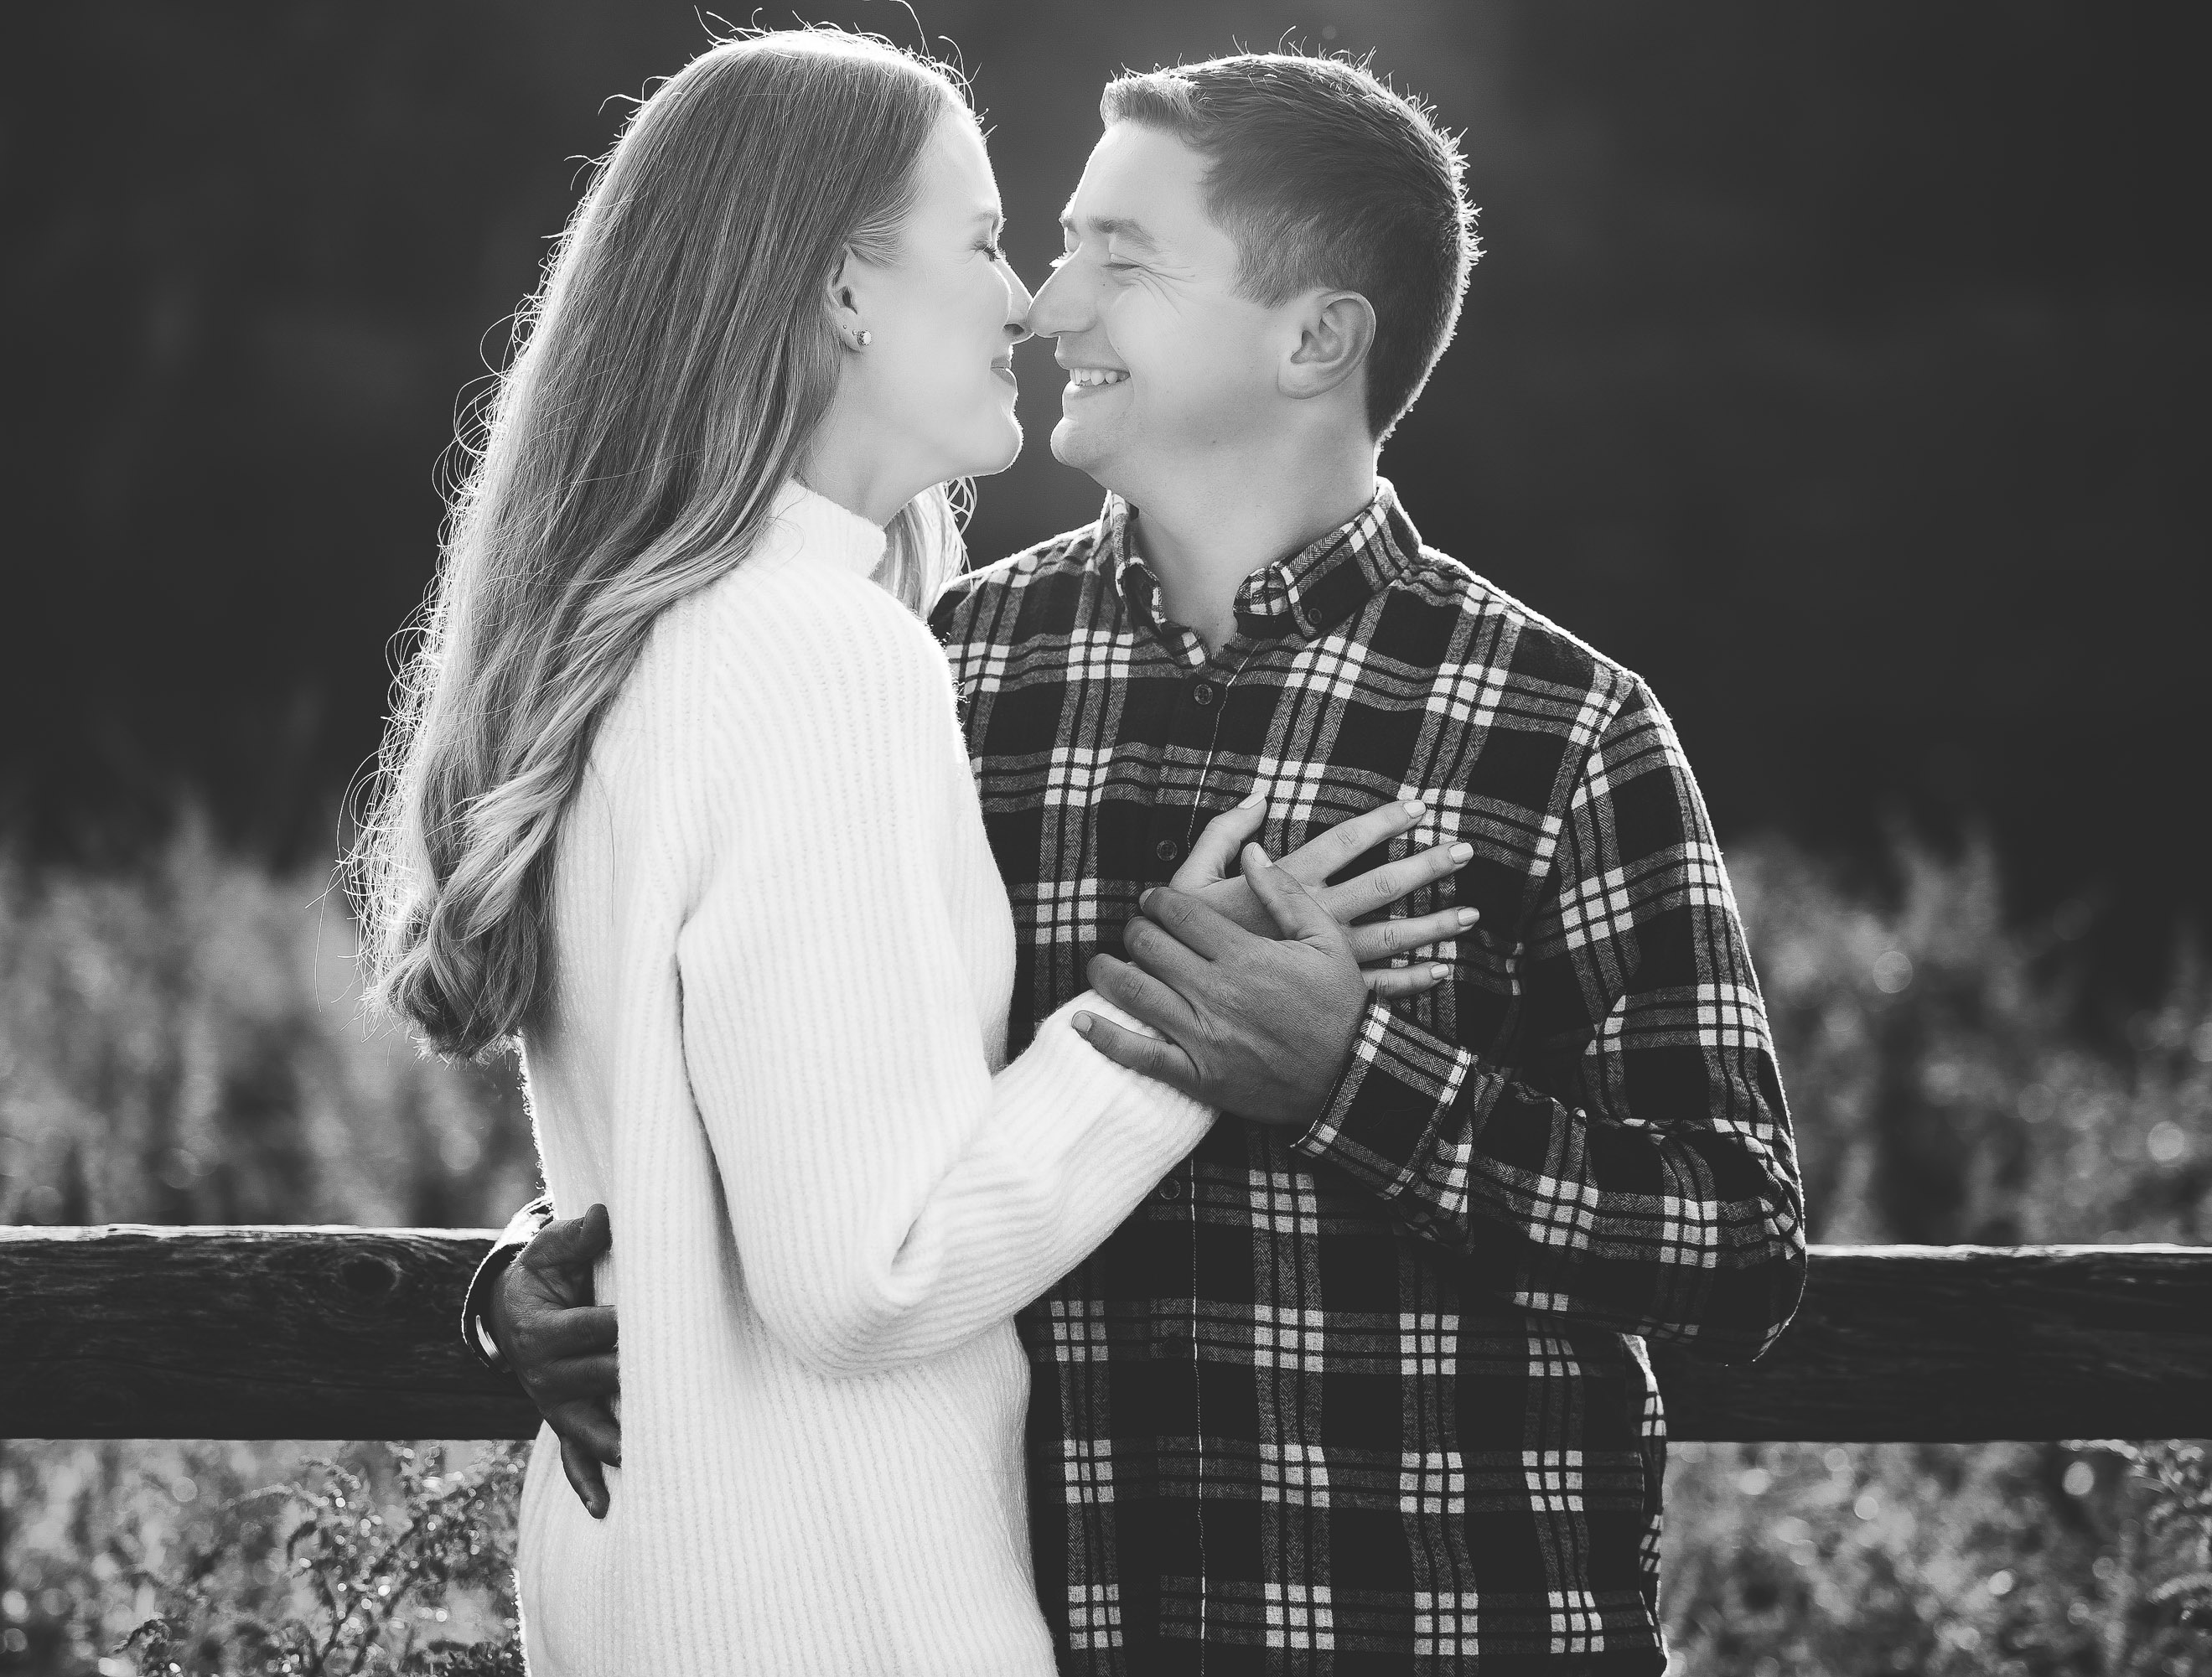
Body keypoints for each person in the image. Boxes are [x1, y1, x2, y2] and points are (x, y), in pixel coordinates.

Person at [482, 49, 1811, 1674]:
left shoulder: (1557, 728)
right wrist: (540, 1278)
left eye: (1121, 254)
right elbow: (802, 1111)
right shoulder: (940, 665)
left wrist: (1352, 1073)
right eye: (1040, 244)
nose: (1047, 303)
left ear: (1315, 337)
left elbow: (1739, 1240)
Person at [363, 30, 1464, 1676]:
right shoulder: (826, 658)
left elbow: (715, 1159)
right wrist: (1174, 1034)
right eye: (980, 238)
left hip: (639, 1592)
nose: (1025, 300)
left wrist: (521, 1264)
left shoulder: (648, 642)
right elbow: (865, 1278)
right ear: (842, 290)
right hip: (839, 1617)